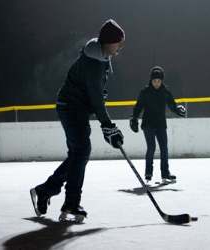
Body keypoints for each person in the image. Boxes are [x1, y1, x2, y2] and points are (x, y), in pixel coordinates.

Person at [30, 19, 127, 223]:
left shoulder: (101, 57)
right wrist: (107, 125)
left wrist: (103, 113)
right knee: (81, 151)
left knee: (78, 154)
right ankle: (70, 201)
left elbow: (97, 92)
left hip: (77, 108)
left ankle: (46, 190)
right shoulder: (94, 63)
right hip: (70, 108)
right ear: (108, 42)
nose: (120, 47)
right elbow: (95, 96)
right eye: (118, 43)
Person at [130, 66, 187, 184]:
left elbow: (172, 105)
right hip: (148, 125)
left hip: (161, 125)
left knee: (164, 148)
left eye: (159, 81)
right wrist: (134, 119)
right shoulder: (145, 92)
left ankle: (165, 173)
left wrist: (178, 110)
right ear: (151, 80)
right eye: (154, 81)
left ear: (162, 81)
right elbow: (138, 106)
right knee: (151, 148)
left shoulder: (165, 91)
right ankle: (148, 173)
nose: (156, 83)